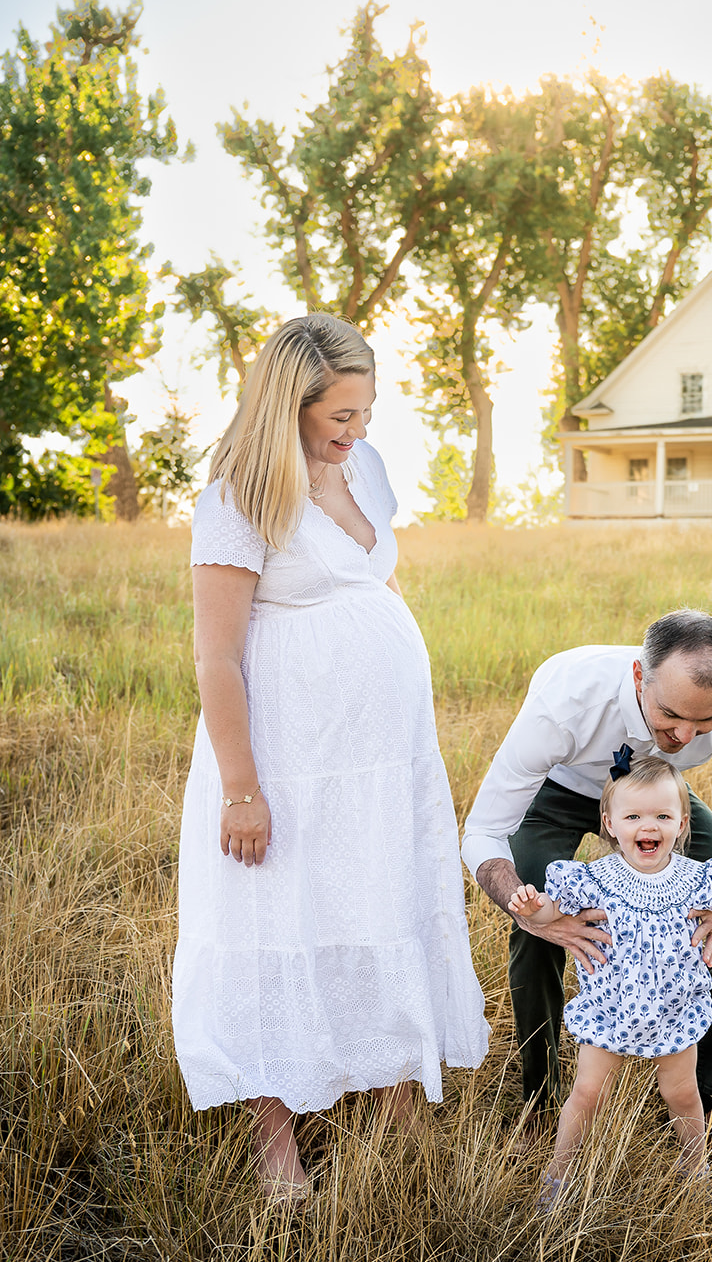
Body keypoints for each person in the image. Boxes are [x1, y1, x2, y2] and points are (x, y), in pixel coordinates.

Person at [172, 313, 489, 1200]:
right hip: (289, 751)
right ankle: (276, 1141)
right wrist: (241, 789)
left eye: (366, 410)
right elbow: (216, 657)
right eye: (340, 415)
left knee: (382, 897)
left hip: (379, 754)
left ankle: (395, 1103)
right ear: (289, 406)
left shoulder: (365, 467)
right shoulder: (237, 499)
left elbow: (374, 579)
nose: (358, 430)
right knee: (277, 917)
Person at [460, 609, 712, 1152]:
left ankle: (709, 1104)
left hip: (655, 803)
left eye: (705, 722)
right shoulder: (566, 702)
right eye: (671, 716)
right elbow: (482, 832)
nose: (685, 736)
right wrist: (528, 911)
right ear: (640, 677)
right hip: (557, 790)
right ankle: (540, 1103)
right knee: (537, 916)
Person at [509, 758, 712, 1206]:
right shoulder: (593, 878)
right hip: (611, 1008)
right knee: (588, 1094)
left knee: (681, 1094)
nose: (649, 826)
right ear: (610, 824)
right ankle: (559, 1175)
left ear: (682, 824)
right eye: (633, 816)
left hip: (673, 1009)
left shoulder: (696, 877)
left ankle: (694, 1169)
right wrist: (535, 909)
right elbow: (555, 911)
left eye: (663, 815)